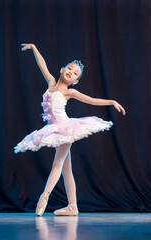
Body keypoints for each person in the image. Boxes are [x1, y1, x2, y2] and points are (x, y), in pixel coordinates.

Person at [14, 43, 126, 217]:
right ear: (62, 69)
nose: (71, 72)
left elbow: (91, 100)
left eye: (75, 73)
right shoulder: (51, 83)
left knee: (57, 163)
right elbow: (42, 65)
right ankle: (73, 206)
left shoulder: (69, 92)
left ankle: (45, 196)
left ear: (75, 81)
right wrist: (35, 48)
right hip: (53, 129)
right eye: (70, 68)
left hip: (66, 128)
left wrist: (111, 102)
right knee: (66, 169)